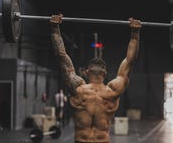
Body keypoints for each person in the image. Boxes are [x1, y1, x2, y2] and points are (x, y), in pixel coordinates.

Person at [50, 14, 141, 143]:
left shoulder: (78, 88)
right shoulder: (113, 91)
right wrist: (135, 33)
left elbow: (62, 56)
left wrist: (54, 28)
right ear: (105, 73)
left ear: (87, 72)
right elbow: (130, 61)